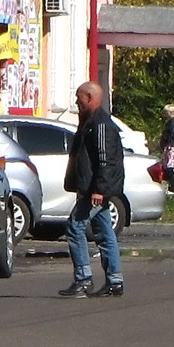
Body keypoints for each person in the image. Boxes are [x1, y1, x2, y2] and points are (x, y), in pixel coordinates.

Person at [58, 80, 125, 298]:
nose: (76, 102)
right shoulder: (89, 121)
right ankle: (114, 281)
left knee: (75, 226)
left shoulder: (100, 124)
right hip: (91, 188)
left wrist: (99, 190)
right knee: (104, 233)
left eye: (79, 98)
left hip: (96, 190)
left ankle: (83, 279)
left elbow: (106, 161)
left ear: (90, 98)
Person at [159, 104, 174, 194]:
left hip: (172, 146)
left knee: (169, 166)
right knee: (166, 166)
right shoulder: (172, 122)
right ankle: (172, 186)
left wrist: (167, 140)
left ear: (170, 112)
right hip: (170, 145)